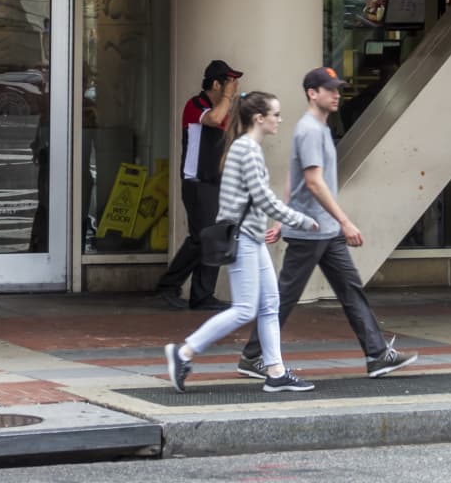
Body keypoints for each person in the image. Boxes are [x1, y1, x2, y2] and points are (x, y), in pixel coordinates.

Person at [239, 67, 418, 381]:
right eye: (330, 89)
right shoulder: (309, 130)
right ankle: (253, 355)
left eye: (338, 89)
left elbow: (293, 178)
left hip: (323, 230)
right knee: (286, 297)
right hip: (312, 231)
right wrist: (345, 221)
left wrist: (282, 218)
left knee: (349, 291)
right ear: (312, 93)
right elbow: (312, 182)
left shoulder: (318, 129)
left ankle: (377, 355)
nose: (337, 95)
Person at [162, 90, 320, 395]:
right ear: (259, 118)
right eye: (275, 114)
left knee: (270, 303)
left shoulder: (247, 147)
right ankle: (184, 353)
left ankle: (275, 371)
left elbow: (256, 199)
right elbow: (264, 198)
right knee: (247, 309)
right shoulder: (246, 149)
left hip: (251, 236)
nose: (279, 120)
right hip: (244, 238)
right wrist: (299, 220)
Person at [154, 59, 241, 311]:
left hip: (217, 181)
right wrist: (227, 98)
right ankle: (170, 285)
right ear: (215, 84)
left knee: (214, 237)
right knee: (202, 238)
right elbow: (214, 119)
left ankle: (202, 295)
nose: (233, 88)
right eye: (228, 83)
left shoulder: (225, 109)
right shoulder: (196, 105)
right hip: (197, 182)